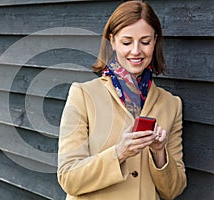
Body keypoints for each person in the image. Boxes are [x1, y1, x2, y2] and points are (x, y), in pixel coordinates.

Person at [57, 1, 187, 199]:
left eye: (145, 42)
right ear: (113, 41)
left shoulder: (171, 104)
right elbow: (68, 178)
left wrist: (160, 154)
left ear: (155, 41)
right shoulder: (83, 95)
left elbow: (173, 190)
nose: (136, 51)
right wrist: (119, 153)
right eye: (127, 42)